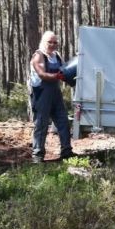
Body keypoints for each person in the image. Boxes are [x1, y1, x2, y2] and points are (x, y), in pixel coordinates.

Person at [29, 31, 73, 163]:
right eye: (50, 42)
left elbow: (65, 71)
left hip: (55, 93)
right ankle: (38, 155)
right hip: (42, 93)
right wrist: (57, 76)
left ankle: (66, 151)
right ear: (44, 41)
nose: (53, 45)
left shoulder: (56, 56)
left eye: (55, 42)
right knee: (41, 124)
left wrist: (70, 77)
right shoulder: (38, 56)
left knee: (63, 122)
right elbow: (42, 74)